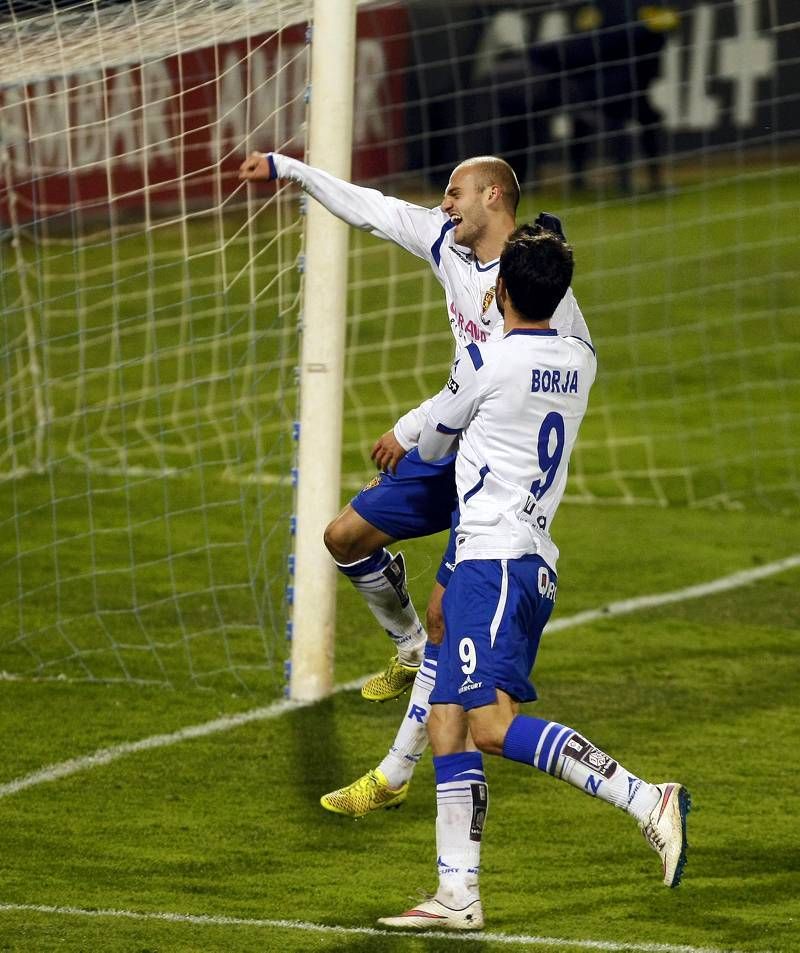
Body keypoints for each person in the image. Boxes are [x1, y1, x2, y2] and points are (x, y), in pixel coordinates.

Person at [238, 152, 590, 817]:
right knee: (343, 536)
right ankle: (406, 646)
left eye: (454, 192)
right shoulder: (443, 240)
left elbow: (542, 394)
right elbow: (370, 207)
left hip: (492, 465)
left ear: (491, 194)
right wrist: (289, 169)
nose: (444, 203)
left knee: (445, 611)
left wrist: (415, 428)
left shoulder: (544, 293)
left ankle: (394, 773)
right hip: (447, 438)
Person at [377, 226, 690, 931]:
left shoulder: (486, 361)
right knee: (450, 720)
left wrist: (412, 432)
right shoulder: (581, 358)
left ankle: (646, 797)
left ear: (499, 291)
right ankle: (457, 892)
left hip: (496, 560)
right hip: (521, 560)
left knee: (488, 724)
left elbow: (429, 441)